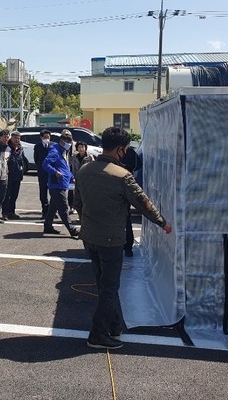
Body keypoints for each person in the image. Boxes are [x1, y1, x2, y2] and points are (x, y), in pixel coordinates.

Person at [74, 126, 172, 350]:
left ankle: (115, 326)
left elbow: (77, 204)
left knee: (105, 285)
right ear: (120, 150)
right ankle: (98, 334)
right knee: (109, 288)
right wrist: (163, 223)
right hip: (111, 239)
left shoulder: (84, 170)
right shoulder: (122, 176)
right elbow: (144, 204)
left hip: (90, 237)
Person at [42, 129, 79, 238]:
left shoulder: (64, 151)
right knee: (63, 208)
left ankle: (48, 226)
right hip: (56, 184)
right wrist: (55, 172)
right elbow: (45, 164)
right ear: (61, 140)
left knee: (53, 207)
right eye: (66, 139)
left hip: (62, 183)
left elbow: (65, 167)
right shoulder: (55, 150)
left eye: (70, 139)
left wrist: (71, 177)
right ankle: (72, 229)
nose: (68, 142)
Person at [120, 144, 143, 257]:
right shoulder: (130, 152)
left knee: (123, 217)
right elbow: (139, 165)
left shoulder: (120, 151)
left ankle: (126, 246)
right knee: (126, 216)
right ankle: (127, 247)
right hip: (127, 183)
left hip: (119, 185)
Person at [2, 130, 26, 220]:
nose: (17, 140)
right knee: (6, 195)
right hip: (8, 175)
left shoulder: (20, 148)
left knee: (14, 195)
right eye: (15, 138)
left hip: (17, 175)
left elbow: (22, 160)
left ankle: (12, 212)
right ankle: (5, 213)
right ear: (11, 138)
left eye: (18, 138)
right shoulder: (7, 148)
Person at [69, 141, 95, 215]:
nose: (81, 149)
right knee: (77, 198)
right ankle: (79, 213)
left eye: (82, 147)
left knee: (86, 198)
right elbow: (73, 168)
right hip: (77, 180)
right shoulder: (74, 157)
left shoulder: (90, 157)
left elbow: (93, 168)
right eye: (79, 147)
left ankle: (86, 214)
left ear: (85, 148)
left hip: (87, 181)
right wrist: (73, 177)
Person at [33, 129, 52, 219]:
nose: (47, 139)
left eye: (48, 137)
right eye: (45, 137)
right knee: (43, 193)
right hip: (42, 172)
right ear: (41, 138)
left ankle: (52, 211)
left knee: (53, 192)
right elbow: (36, 159)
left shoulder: (53, 146)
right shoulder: (37, 146)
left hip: (52, 172)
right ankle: (45, 211)